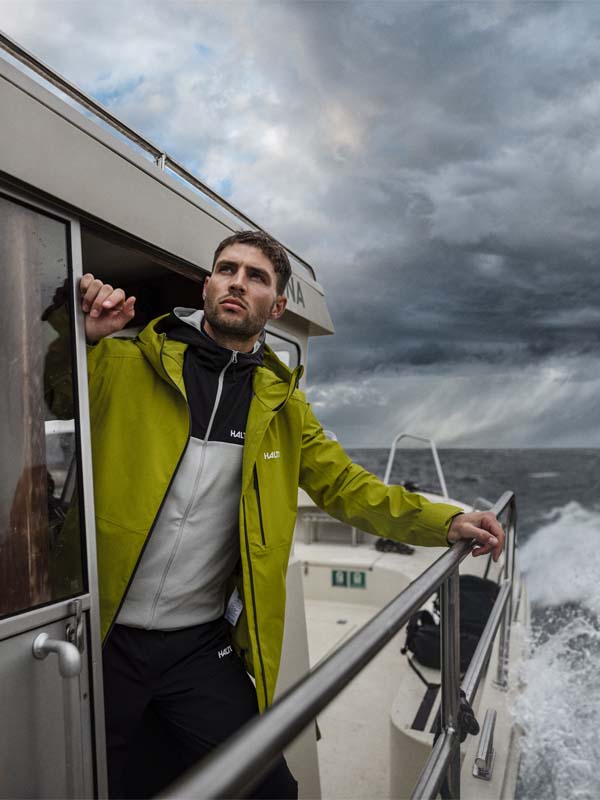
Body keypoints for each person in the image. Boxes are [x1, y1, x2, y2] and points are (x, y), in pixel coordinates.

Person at [74, 230, 504, 798]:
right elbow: (32, 392)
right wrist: (72, 339)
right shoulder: (120, 362)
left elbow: (348, 489)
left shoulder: (282, 405)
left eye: (256, 277)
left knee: (269, 788)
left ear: (275, 308)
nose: (237, 282)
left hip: (197, 644)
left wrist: (444, 522)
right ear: (207, 285)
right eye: (227, 269)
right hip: (102, 639)